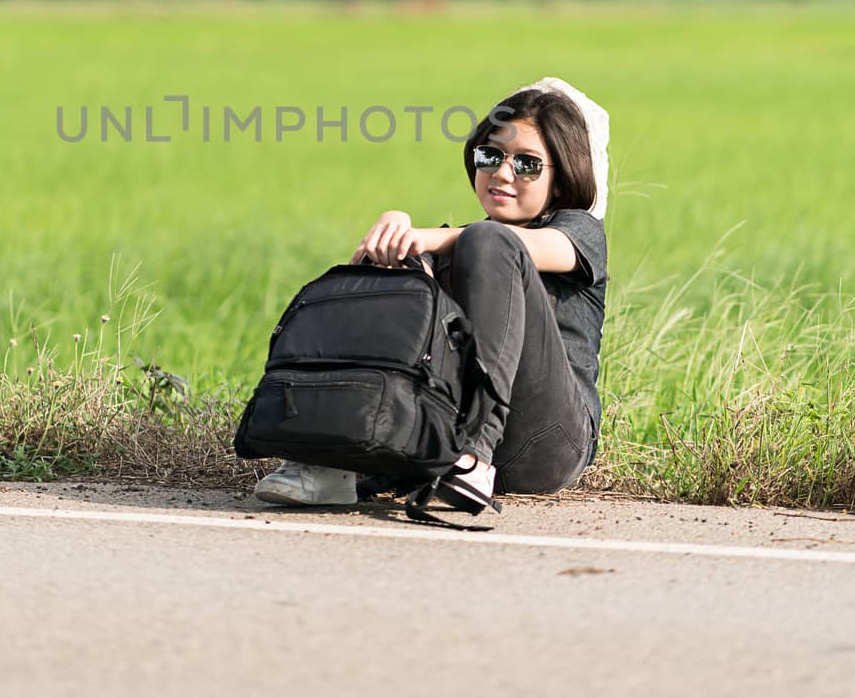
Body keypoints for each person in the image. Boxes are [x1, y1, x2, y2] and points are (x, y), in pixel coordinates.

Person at [254, 79, 610, 513]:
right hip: (441, 440)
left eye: (528, 164)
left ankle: (476, 460)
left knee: (485, 241)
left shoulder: (580, 231)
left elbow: (517, 246)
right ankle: (331, 463)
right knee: (397, 260)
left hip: (545, 445)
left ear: (561, 179)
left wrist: (421, 236)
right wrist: (396, 236)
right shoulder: (462, 245)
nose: (502, 172)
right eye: (490, 155)